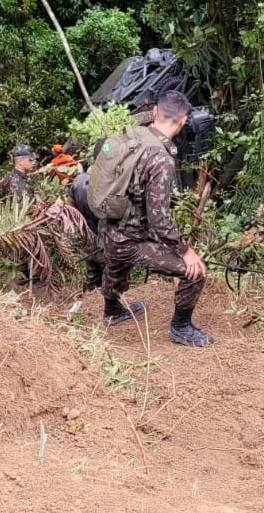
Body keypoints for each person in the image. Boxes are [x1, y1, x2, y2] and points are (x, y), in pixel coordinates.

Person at [101, 90, 213, 347]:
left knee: (116, 264)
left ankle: (112, 311)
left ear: (154, 113)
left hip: (109, 228)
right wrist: (185, 251)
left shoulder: (131, 136)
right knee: (194, 272)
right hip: (130, 239)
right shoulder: (161, 159)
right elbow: (159, 219)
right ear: (183, 121)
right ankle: (181, 327)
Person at [0, 144, 45, 289]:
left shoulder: (19, 177)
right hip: (20, 222)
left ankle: (28, 278)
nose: (33, 163)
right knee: (24, 250)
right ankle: (24, 280)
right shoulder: (15, 181)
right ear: (20, 161)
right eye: (30, 160)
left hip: (21, 222)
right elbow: (21, 207)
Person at [68, 170, 104, 292]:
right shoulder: (107, 182)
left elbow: (70, 210)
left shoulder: (78, 181)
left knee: (92, 274)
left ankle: (88, 301)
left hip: (87, 238)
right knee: (112, 277)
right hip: (105, 240)